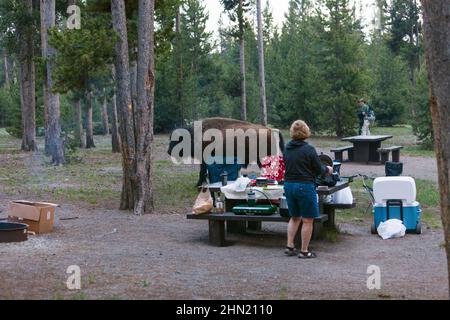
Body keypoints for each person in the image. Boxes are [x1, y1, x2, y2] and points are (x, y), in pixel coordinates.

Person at [283, 120, 333, 259]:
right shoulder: (309, 149)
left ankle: (290, 246)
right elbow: (318, 169)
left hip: (289, 186)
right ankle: (304, 251)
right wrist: (328, 169)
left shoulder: (286, 148)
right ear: (306, 132)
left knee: (294, 217)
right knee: (307, 220)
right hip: (304, 186)